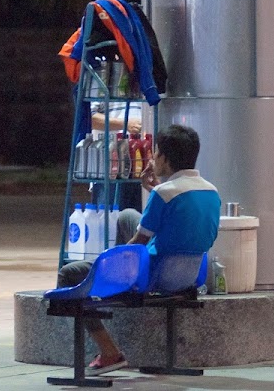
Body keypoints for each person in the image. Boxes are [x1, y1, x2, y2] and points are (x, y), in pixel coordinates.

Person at [56, 124, 221, 375]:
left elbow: (138, 244)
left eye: (155, 154)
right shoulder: (210, 191)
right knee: (126, 216)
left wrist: (108, 262)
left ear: (165, 158)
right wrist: (154, 189)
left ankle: (109, 352)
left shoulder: (165, 193)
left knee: (69, 273)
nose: (153, 159)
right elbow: (181, 217)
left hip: (155, 275)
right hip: (189, 275)